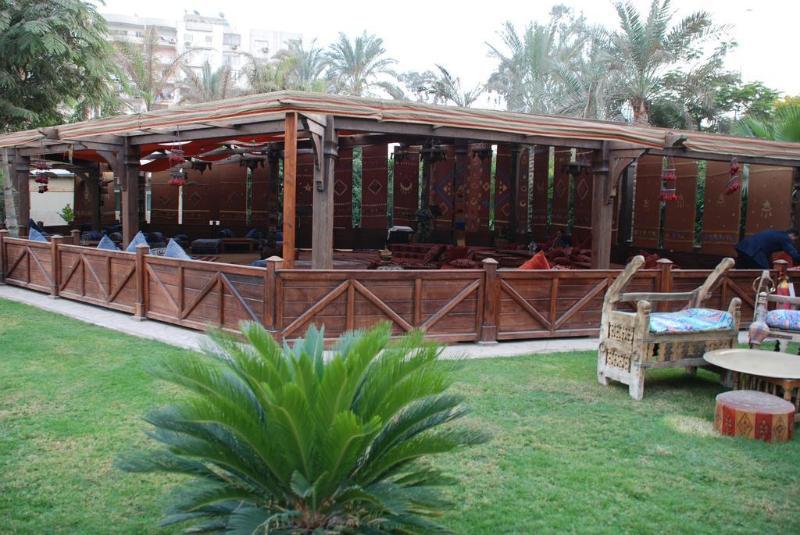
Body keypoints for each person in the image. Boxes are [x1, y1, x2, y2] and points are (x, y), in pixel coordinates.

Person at [735, 228, 800, 269]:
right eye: (794, 240)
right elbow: (793, 254)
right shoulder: (785, 238)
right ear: (792, 235)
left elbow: (767, 250)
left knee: (740, 272)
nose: (793, 242)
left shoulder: (777, 234)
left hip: (743, 248)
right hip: (754, 251)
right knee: (766, 273)